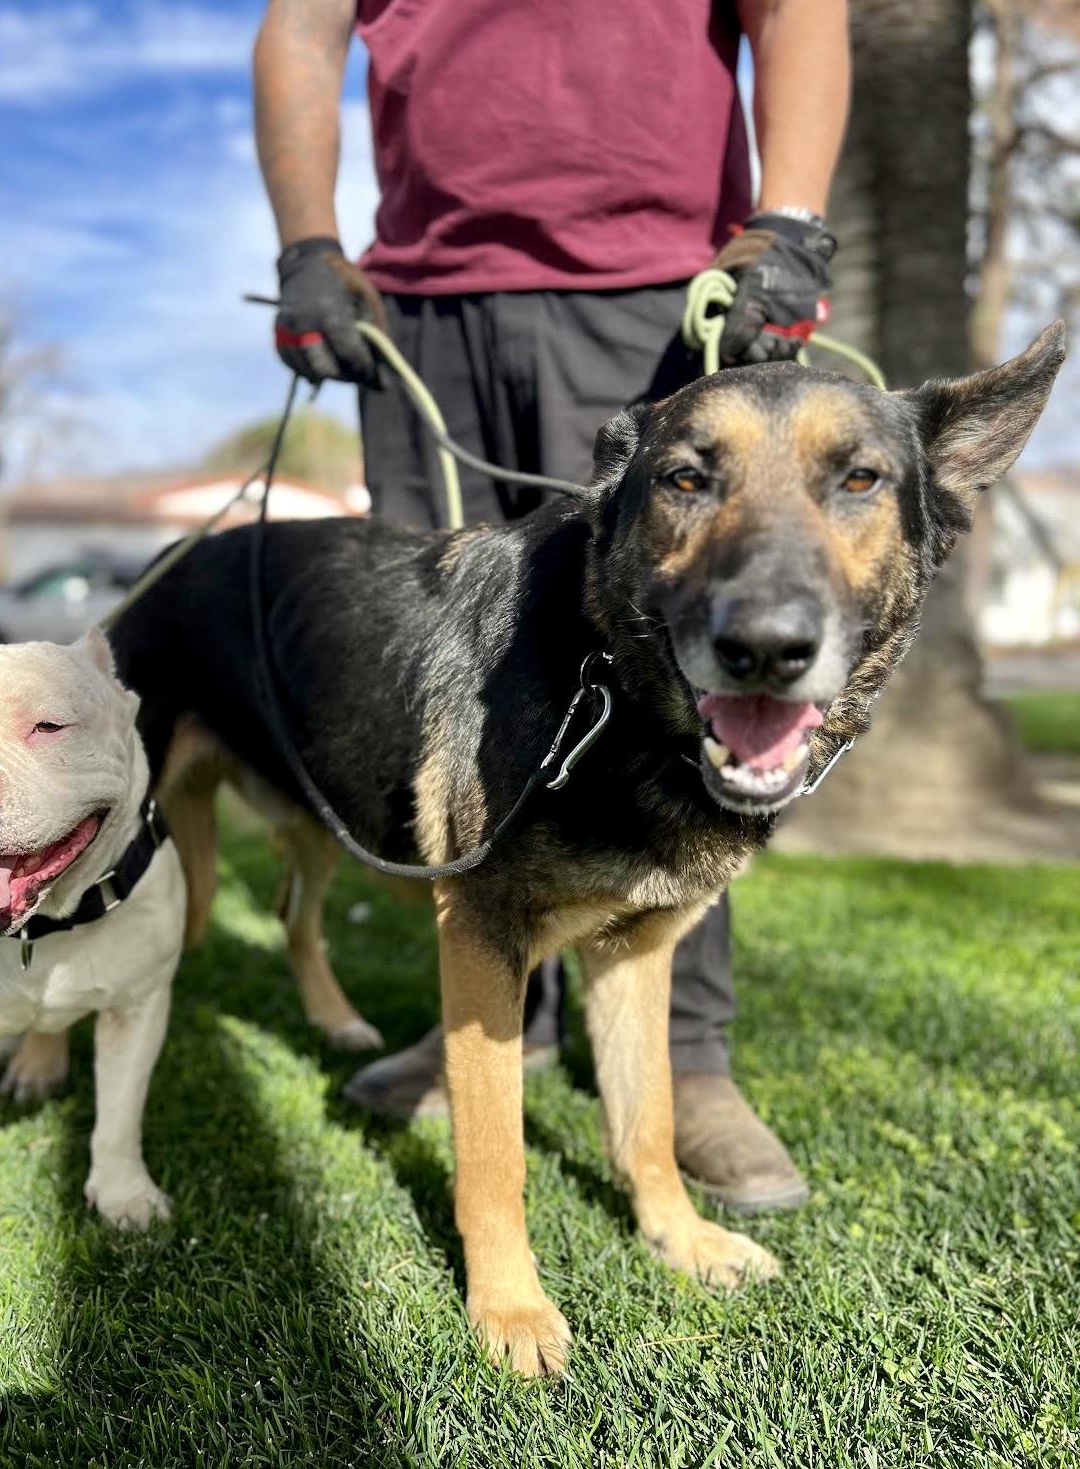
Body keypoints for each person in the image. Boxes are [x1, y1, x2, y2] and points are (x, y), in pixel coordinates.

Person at [253, 0, 849, 1212]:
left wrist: (788, 223)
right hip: (424, 307)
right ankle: (501, 1020)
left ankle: (687, 1057)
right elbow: (304, 30)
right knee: (454, 682)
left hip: (661, 289)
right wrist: (306, 244)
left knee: (678, 683)